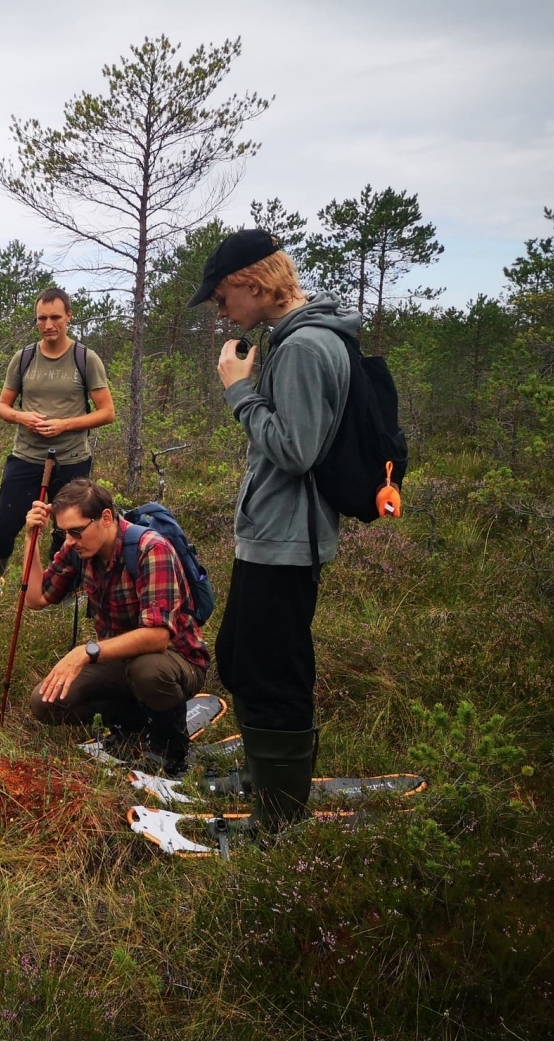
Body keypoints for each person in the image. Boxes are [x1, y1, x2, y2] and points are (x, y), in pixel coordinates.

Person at [188, 228, 355, 831]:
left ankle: (278, 818)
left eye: (222, 296)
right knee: (239, 657)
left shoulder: (307, 346)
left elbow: (296, 449)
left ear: (251, 284)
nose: (219, 309)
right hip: (274, 532)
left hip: (289, 537)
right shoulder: (292, 338)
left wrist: (238, 393)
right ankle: (267, 774)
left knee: (272, 671)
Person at [22, 478, 209, 777]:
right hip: (118, 660)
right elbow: (35, 598)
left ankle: (172, 751)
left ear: (106, 518)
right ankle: (137, 721)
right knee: (45, 703)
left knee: (148, 670)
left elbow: (157, 637)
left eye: (76, 531)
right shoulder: (79, 550)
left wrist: (86, 651)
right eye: (63, 533)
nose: (69, 540)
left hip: (176, 660)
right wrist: (31, 541)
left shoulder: (152, 549)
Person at [0, 286, 115, 602]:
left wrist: (64, 424)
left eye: (55, 317)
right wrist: (23, 418)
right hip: (26, 456)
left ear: (69, 316)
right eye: (41, 318)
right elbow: (2, 406)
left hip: (72, 458)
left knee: (67, 529)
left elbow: (107, 412)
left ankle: (62, 590)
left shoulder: (86, 359)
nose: (48, 325)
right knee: (6, 523)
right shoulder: (24, 358)